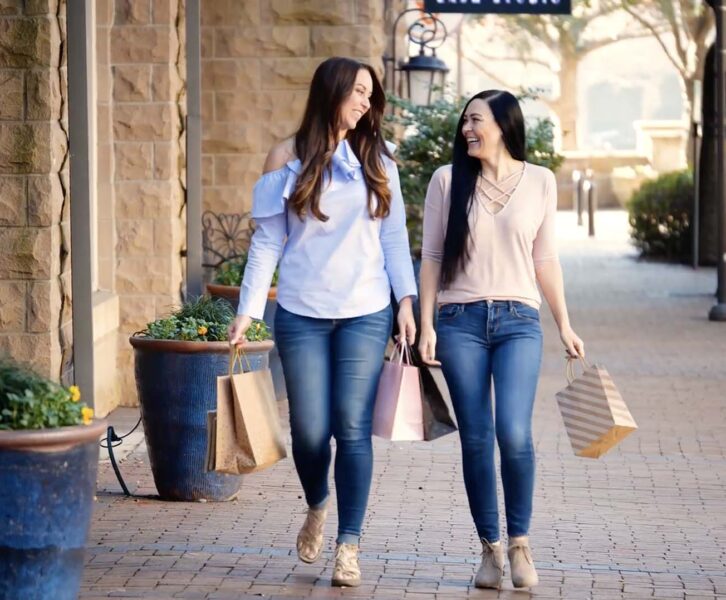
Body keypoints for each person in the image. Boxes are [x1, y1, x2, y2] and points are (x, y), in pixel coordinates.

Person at [228, 57, 417, 588]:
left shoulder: (379, 159)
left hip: (365, 312)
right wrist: (247, 311)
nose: (365, 102)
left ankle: (348, 544)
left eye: (369, 94)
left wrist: (406, 299)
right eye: (358, 91)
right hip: (302, 314)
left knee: (352, 429)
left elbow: (394, 238)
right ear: (331, 91)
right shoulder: (284, 158)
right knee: (310, 432)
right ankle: (317, 504)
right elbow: (267, 242)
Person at [417, 90, 584, 590]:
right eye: (465, 121)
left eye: (477, 121)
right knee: (475, 436)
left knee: (513, 432)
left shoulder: (540, 182)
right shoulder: (447, 181)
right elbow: (429, 258)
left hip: (518, 320)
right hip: (459, 322)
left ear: (505, 125)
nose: (468, 129)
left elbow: (545, 260)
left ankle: (519, 545)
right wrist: (426, 325)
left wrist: (565, 323)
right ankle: (489, 549)